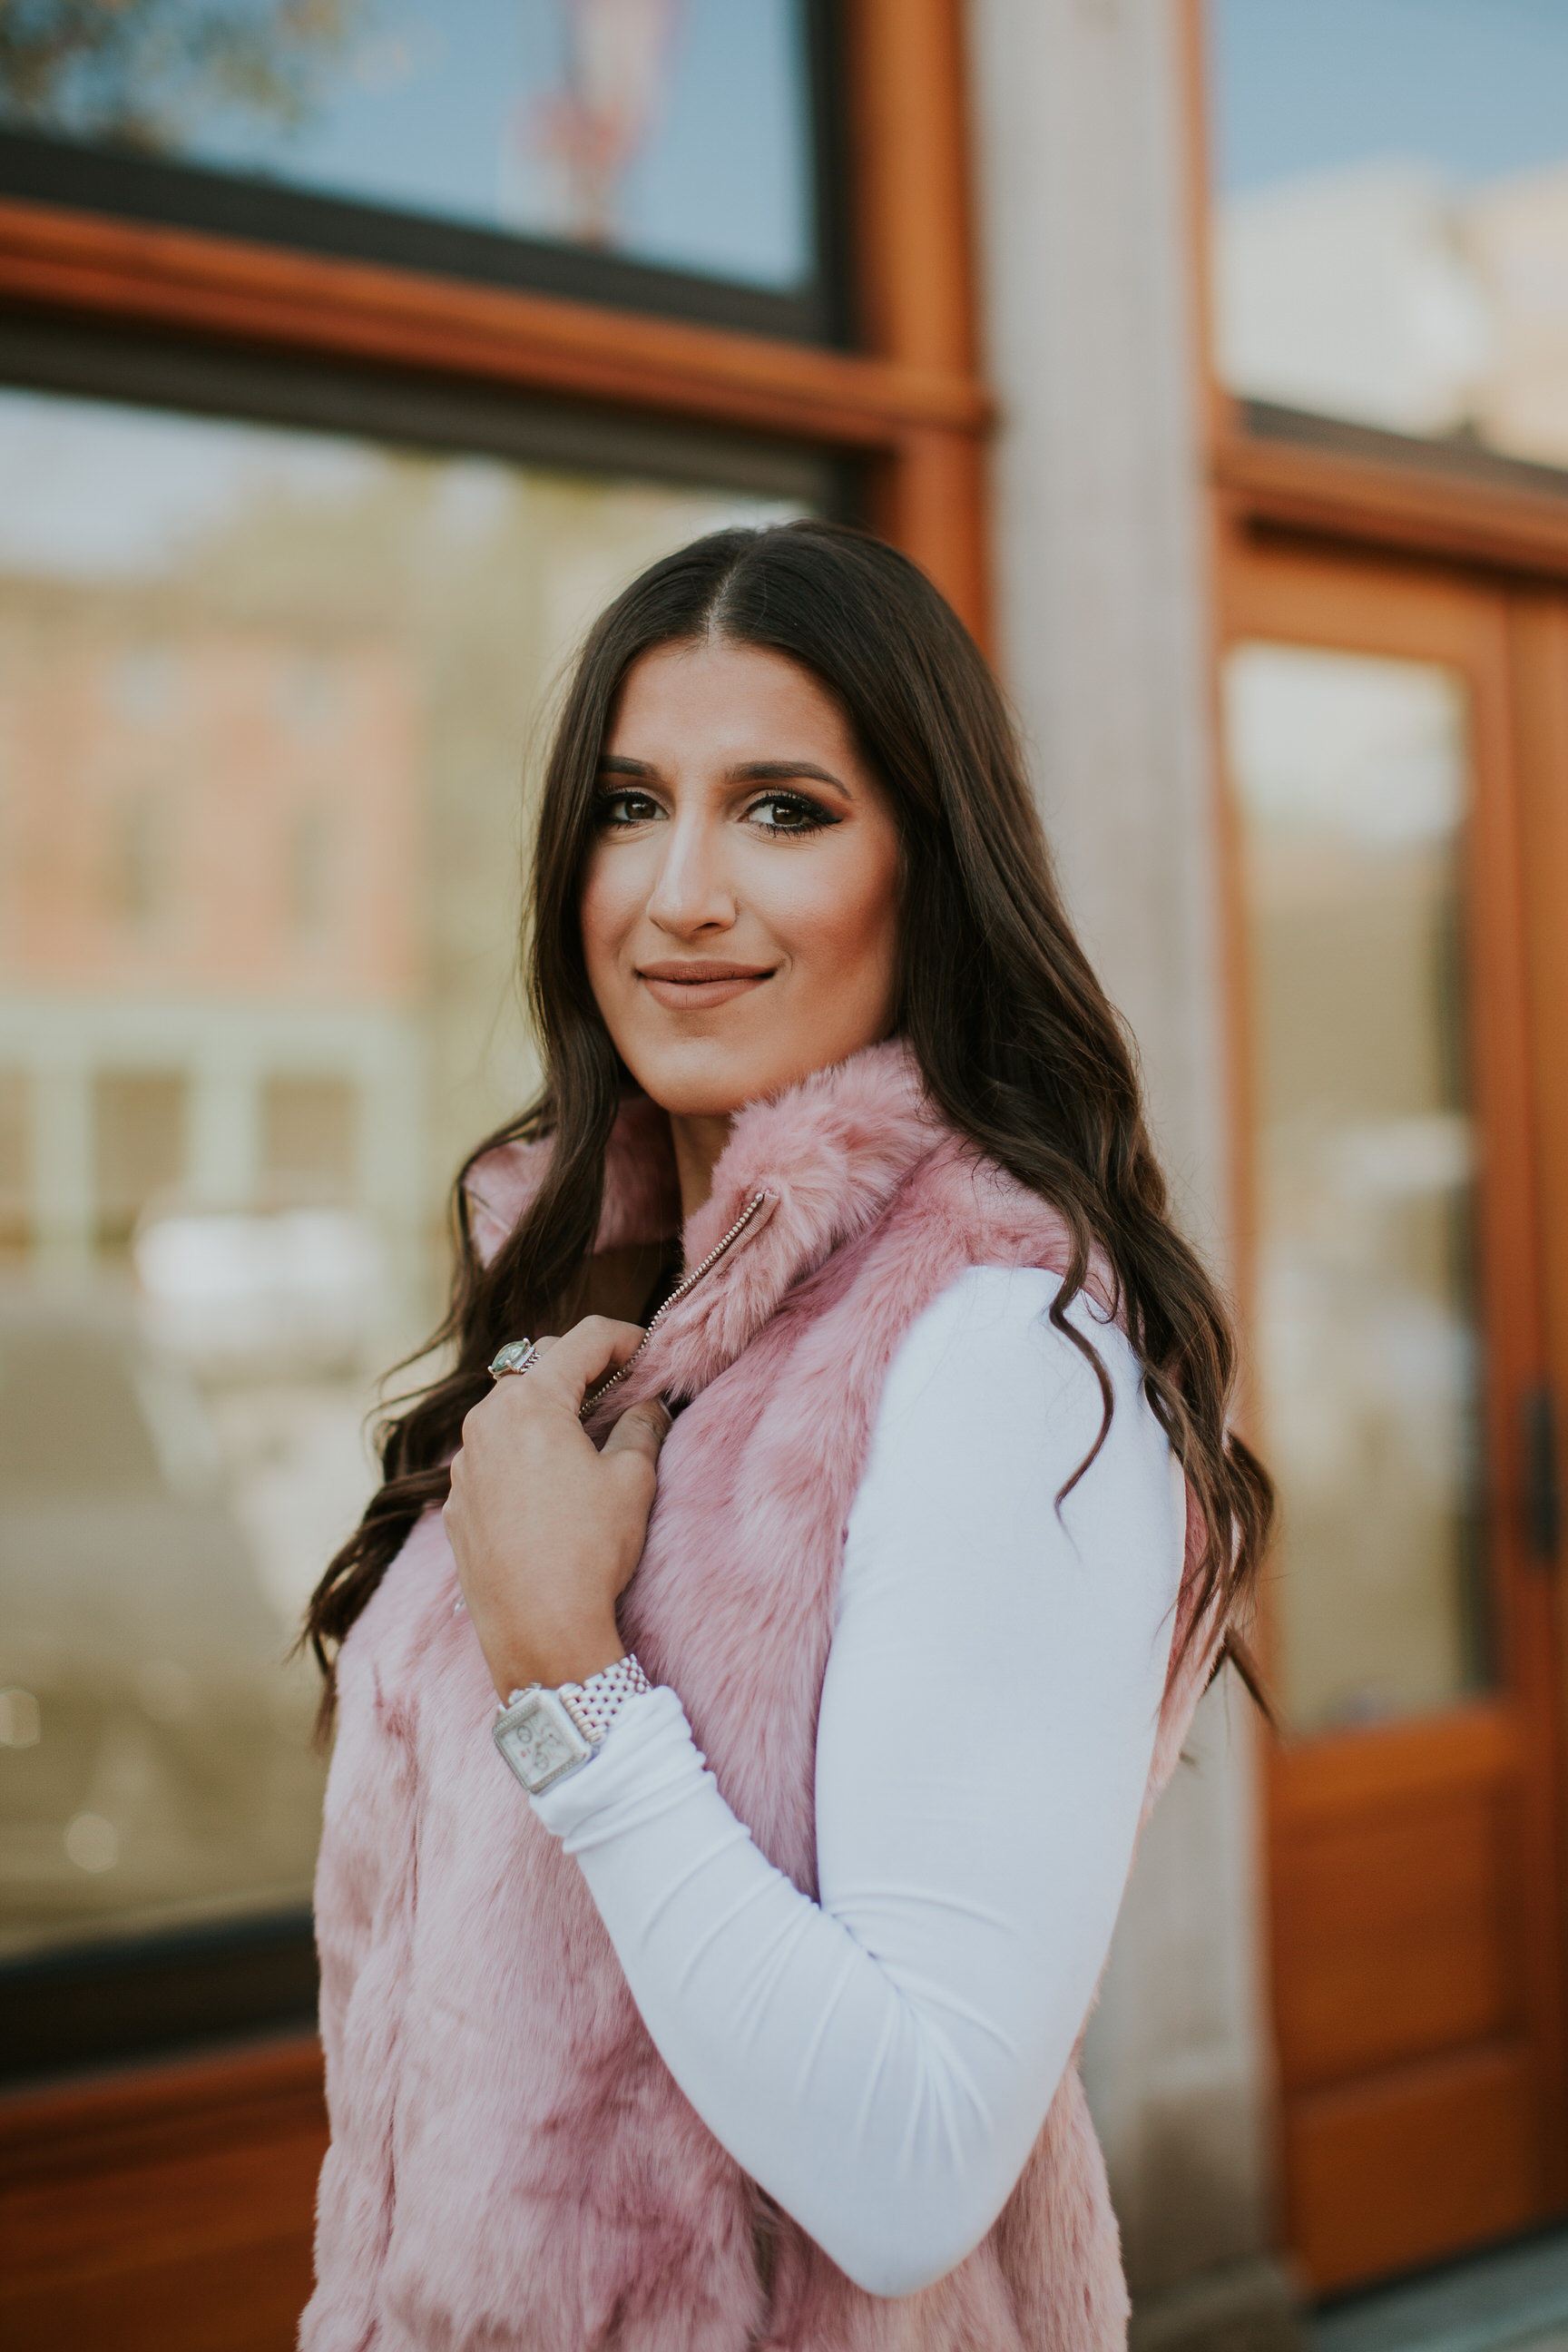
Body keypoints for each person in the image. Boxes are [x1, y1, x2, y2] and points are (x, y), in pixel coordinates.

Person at [299, 519, 1271, 2352]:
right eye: (624, 806)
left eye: (782, 811)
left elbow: (912, 2173)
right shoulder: (603, 1319)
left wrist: (571, 1684)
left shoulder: (991, 1347)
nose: (675, 892)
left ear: (933, 866)